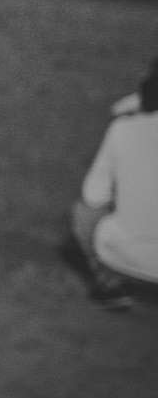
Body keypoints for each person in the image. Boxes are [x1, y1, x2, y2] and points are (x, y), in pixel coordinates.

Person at [68, 61, 158, 308]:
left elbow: (93, 197)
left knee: (84, 212)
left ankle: (110, 283)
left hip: (123, 260)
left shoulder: (123, 129)